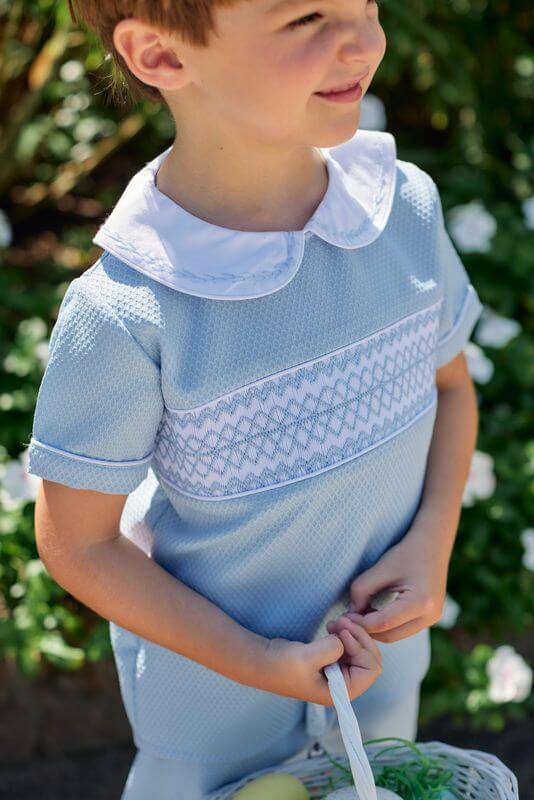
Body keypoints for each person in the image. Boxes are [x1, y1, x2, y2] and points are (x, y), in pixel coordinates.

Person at [26, 0, 484, 797]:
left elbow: (449, 388)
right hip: (212, 726)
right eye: (307, 16)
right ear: (161, 56)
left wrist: (430, 548)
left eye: (367, 4)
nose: (364, 40)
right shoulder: (129, 310)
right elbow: (79, 543)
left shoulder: (402, 208)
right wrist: (257, 662)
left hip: (381, 688)